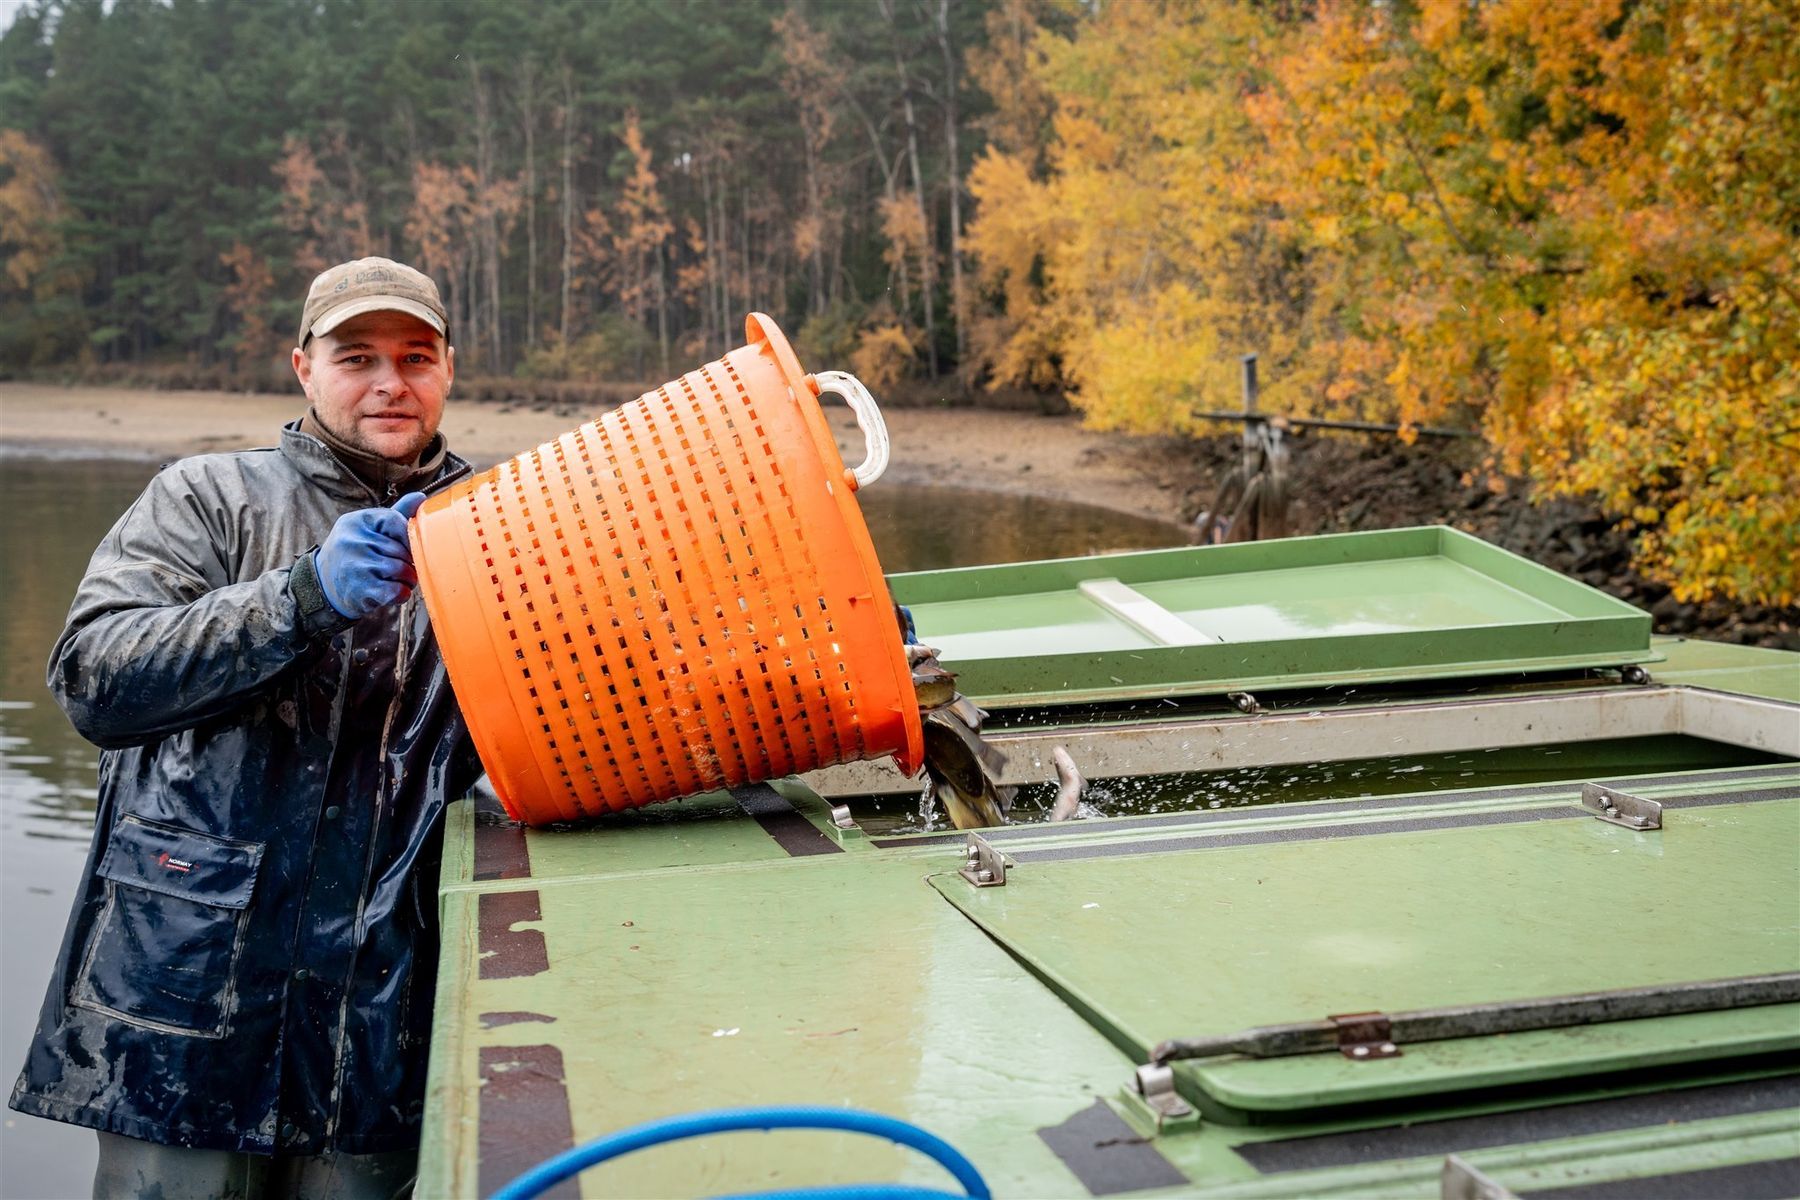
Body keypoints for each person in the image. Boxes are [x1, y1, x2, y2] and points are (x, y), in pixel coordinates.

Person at [10, 257, 484, 1199]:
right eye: (357, 356)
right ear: (303, 368)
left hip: (386, 1010)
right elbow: (95, 679)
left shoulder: (496, 524)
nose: (390, 381)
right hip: (181, 995)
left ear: (449, 370)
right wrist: (301, 597)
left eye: (415, 356)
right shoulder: (201, 498)